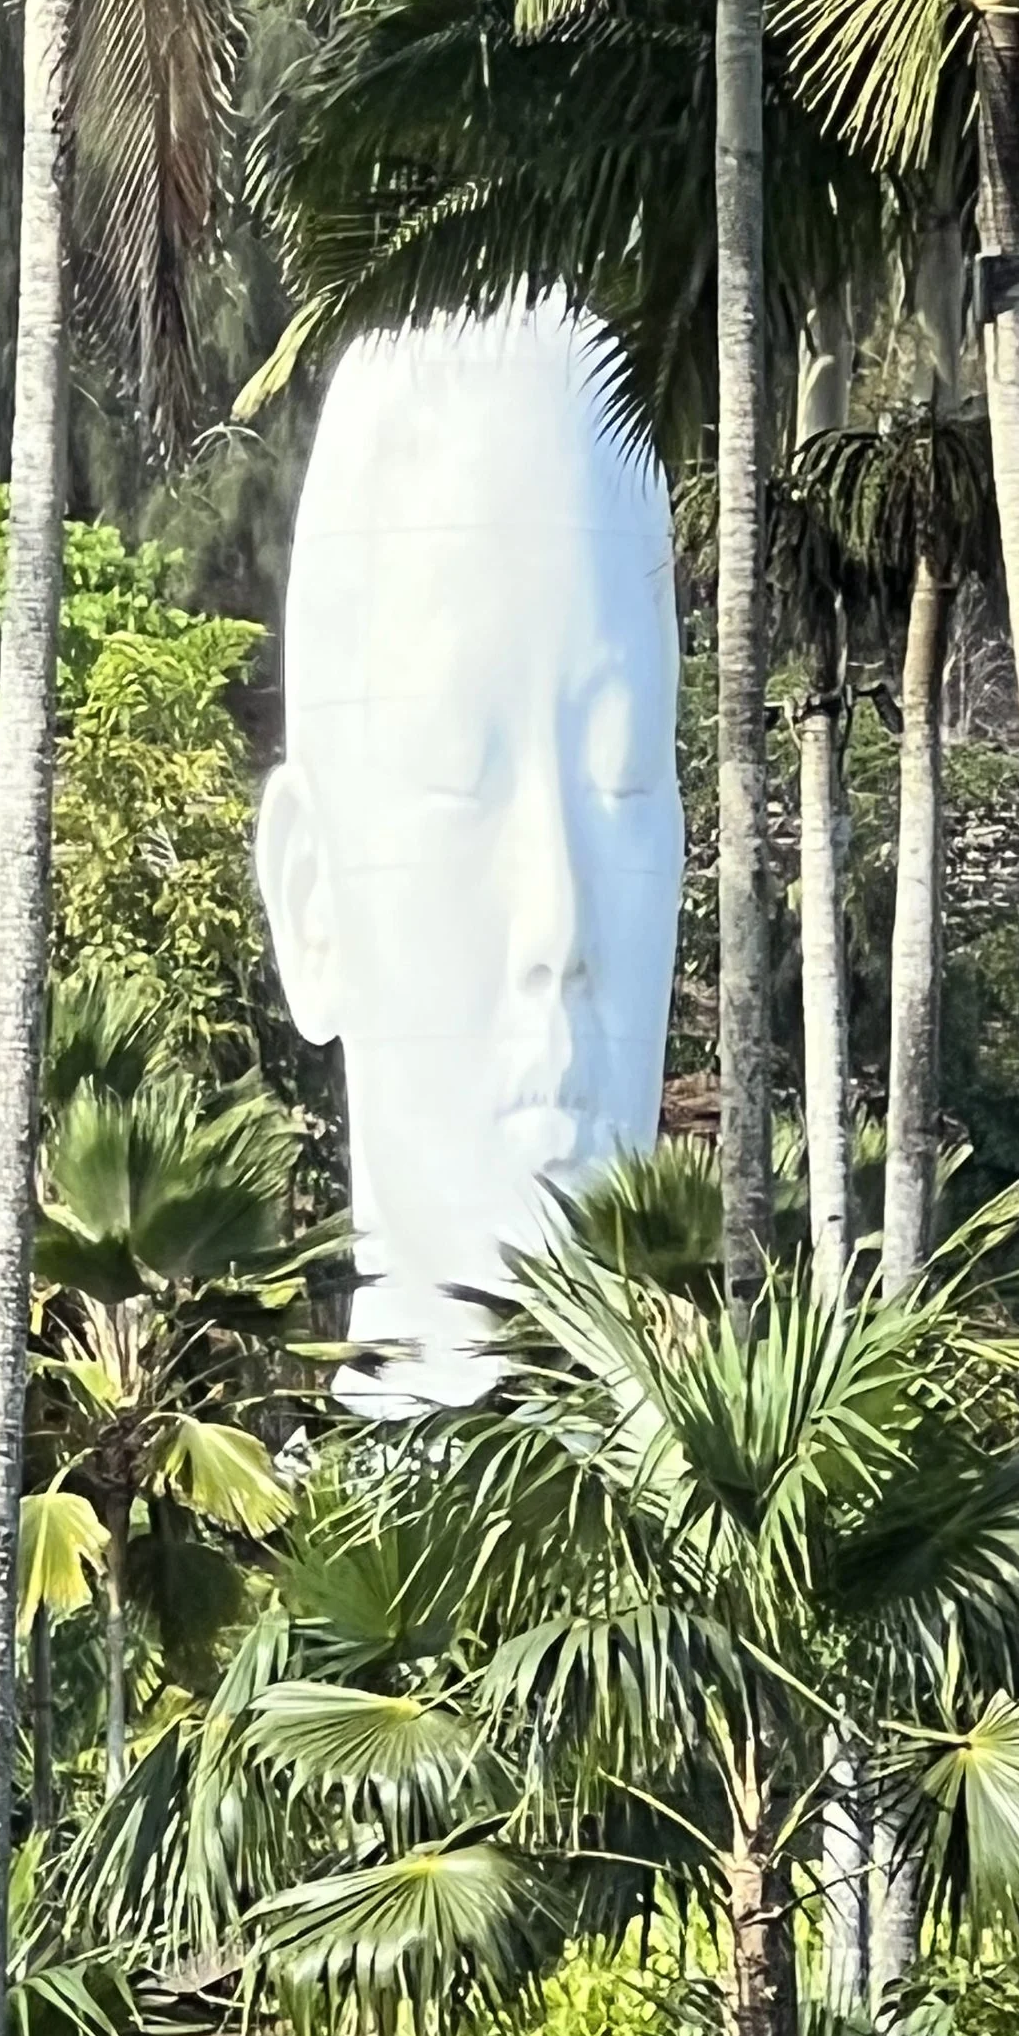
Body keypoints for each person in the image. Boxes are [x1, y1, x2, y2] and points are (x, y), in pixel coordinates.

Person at [256, 296, 686, 1407]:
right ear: (312, 906)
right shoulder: (242, 1556)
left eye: (622, 776)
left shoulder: (780, 1563)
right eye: (458, 782)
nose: (561, 924)